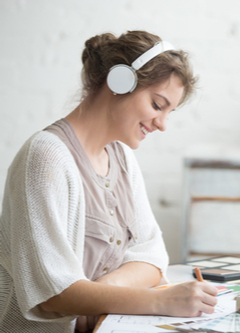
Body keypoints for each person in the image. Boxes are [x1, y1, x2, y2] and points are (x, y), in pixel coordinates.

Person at [0, 30, 218, 333]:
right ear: (120, 82)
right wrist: (161, 301)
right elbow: (54, 294)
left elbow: (153, 257)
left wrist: (101, 295)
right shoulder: (45, 158)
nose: (163, 124)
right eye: (157, 105)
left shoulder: (122, 157)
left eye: (170, 112)